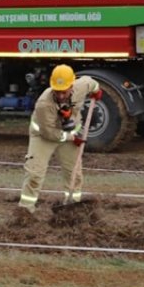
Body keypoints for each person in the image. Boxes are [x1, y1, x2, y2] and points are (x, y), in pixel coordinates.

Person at [18, 64, 101, 214]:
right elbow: (49, 133)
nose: (61, 95)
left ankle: (72, 206)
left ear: (72, 85)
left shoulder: (81, 86)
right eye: (57, 92)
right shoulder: (44, 104)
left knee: (74, 174)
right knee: (34, 174)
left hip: (70, 135)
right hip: (44, 136)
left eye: (64, 92)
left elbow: (91, 82)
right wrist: (71, 137)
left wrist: (97, 91)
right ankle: (25, 211)